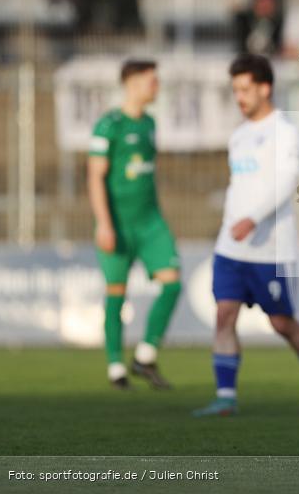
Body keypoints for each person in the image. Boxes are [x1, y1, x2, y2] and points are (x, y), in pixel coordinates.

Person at [194, 54, 299, 418]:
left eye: (244, 89)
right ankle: (226, 396)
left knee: (282, 323)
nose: (239, 97)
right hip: (231, 247)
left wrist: (252, 219)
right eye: (235, 90)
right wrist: (232, 225)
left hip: (271, 249)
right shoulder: (239, 136)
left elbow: (288, 181)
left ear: (264, 88)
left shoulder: (285, 131)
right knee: (224, 315)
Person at [87, 60, 181, 390]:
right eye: (150, 81)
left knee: (172, 284)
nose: (156, 87)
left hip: (151, 223)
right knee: (116, 294)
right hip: (118, 224)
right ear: (131, 84)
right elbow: (95, 176)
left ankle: (145, 355)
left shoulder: (151, 124)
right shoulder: (108, 125)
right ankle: (115, 367)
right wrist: (104, 223)